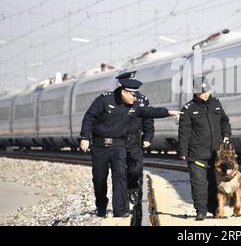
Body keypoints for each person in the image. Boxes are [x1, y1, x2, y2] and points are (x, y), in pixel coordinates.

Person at [80, 74, 181, 218]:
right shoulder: (104, 99)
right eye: (132, 95)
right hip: (100, 145)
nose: (135, 98)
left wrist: (167, 112)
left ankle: (121, 211)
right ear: (124, 91)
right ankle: (101, 206)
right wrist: (85, 137)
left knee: (120, 176)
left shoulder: (135, 104)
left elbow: (149, 111)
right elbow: (89, 117)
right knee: (99, 179)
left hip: (119, 145)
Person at [177, 76, 232, 220]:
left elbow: (225, 121)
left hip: (216, 153)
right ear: (195, 92)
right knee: (199, 184)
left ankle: (215, 210)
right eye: (202, 92)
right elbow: (184, 131)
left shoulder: (216, 104)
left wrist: (226, 134)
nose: (205, 93)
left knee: (215, 183)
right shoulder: (188, 109)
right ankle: (200, 211)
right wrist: (182, 151)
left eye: (206, 90)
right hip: (196, 154)